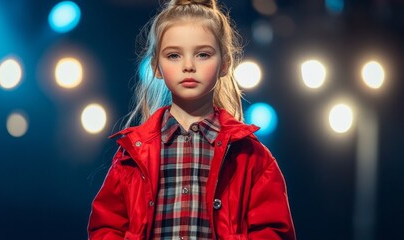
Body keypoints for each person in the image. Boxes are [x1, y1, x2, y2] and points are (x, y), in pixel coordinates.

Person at [88, 0, 296, 239]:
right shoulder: (132, 155)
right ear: (156, 65)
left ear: (225, 63)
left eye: (203, 54)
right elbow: (105, 228)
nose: (188, 66)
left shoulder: (251, 157)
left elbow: (274, 232)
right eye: (174, 55)